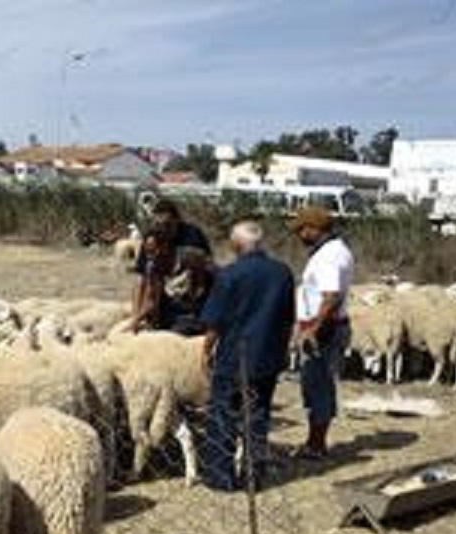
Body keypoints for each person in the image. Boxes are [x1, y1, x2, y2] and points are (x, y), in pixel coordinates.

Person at [198, 219, 295, 491]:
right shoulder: (282, 273)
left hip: (235, 356)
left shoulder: (230, 275)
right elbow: (288, 318)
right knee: (258, 415)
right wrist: (283, 349)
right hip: (268, 356)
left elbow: (216, 321)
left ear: (237, 245)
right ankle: (254, 476)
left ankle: (221, 477)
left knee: (223, 414)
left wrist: (206, 349)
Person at [290, 206, 355, 461]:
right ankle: (314, 441)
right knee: (315, 383)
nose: (299, 235)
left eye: (302, 230)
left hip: (325, 329)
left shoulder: (330, 256)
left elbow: (331, 296)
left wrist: (313, 329)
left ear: (314, 229)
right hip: (323, 325)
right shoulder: (332, 251)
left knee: (318, 384)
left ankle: (316, 444)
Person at [129, 198, 213, 335]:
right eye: (158, 224)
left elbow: (203, 279)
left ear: (177, 220)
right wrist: (135, 317)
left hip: (190, 302)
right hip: (170, 298)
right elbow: (143, 282)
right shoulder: (153, 244)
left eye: (167, 225)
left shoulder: (192, 241)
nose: (163, 228)